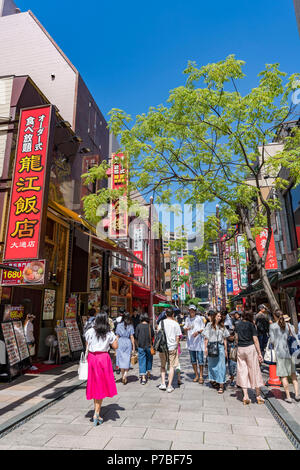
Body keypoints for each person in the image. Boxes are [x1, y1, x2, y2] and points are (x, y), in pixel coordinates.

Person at [85, 313, 118, 426]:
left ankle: (97, 411)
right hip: (103, 358)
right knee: (101, 385)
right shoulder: (109, 333)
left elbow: (87, 346)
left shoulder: (90, 332)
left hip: (92, 358)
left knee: (95, 384)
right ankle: (96, 413)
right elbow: (115, 346)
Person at [269, 311, 300, 403]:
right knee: (293, 375)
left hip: (280, 354)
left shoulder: (273, 326)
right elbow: (296, 338)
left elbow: (272, 340)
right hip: (291, 353)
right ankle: (297, 395)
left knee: (284, 376)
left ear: (275, 316)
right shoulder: (289, 326)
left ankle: (288, 396)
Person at [235, 310, 264, 405]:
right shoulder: (251, 325)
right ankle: (258, 396)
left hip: (240, 349)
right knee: (254, 370)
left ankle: (246, 396)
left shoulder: (237, 324)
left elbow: (236, 338)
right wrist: (259, 353)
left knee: (242, 371)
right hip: (250, 348)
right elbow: (255, 340)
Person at [203, 311, 230, 394]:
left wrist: (226, 350)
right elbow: (206, 337)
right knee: (212, 366)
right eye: (218, 316)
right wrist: (205, 348)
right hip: (212, 347)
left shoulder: (223, 326)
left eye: (220, 316)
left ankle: (221, 385)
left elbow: (225, 338)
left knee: (221, 366)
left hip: (220, 347)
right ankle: (215, 380)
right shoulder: (209, 325)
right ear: (214, 316)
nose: (219, 317)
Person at [158, 309, 182, 393]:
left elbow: (159, 334)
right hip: (172, 347)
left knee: (163, 366)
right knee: (171, 366)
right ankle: (169, 386)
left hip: (162, 347)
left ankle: (163, 383)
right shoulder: (176, 324)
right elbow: (177, 337)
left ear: (165, 314)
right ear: (173, 314)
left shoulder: (161, 323)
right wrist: (176, 346)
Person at [184, 305, 205, 384]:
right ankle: (196, 375)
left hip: (199, 342)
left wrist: (198, 332)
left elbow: (203, 328)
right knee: (193, 360)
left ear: (195, 311)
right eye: (190, 310)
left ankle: (201, 376)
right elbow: (185, 328)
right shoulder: (187, 319)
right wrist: (186, 329)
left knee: (200, 360)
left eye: (193, 310)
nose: (191, 311)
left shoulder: (199, 318)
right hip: (191, 342)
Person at [115, 312, 135, 384]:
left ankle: (122, 374)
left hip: (120, 342)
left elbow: (117, 336)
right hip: (127, 342)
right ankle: (125, 375)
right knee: (127, 359)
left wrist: (115, 347)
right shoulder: (130, 326)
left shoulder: (119, 325)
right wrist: (134, 347)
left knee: (121, 359)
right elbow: (132, 337)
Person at [135, 313, 154, 384]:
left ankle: (143, 378)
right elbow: (152, 335)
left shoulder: (138, 326)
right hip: (149, 346)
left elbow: (136, 336)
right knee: (149, 359)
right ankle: (148, 373)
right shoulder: (150, 326)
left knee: (142, 361)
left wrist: (137, 345)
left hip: (141, 346)